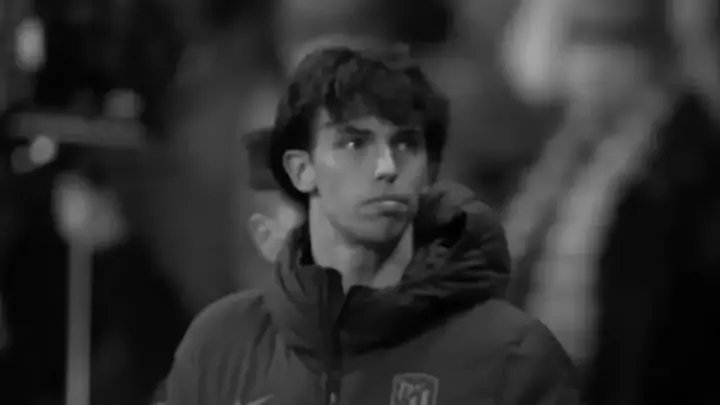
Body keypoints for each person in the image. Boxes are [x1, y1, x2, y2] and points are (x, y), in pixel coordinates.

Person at [166, 45, 578, 404]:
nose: (386, 166)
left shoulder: (512, 356)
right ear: (301, 170)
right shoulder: (222, 345)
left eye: (406, 144)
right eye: (354, 143)